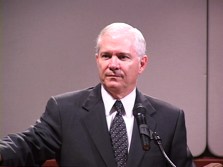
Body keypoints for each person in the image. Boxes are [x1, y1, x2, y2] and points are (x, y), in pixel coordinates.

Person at [0, 22, 195, 167]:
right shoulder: (65, 110)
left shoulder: (169, 118)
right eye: (106, 56)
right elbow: (29, 145)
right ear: (97, 60)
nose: (113, 64)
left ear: (142, 64)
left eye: (122, 57)